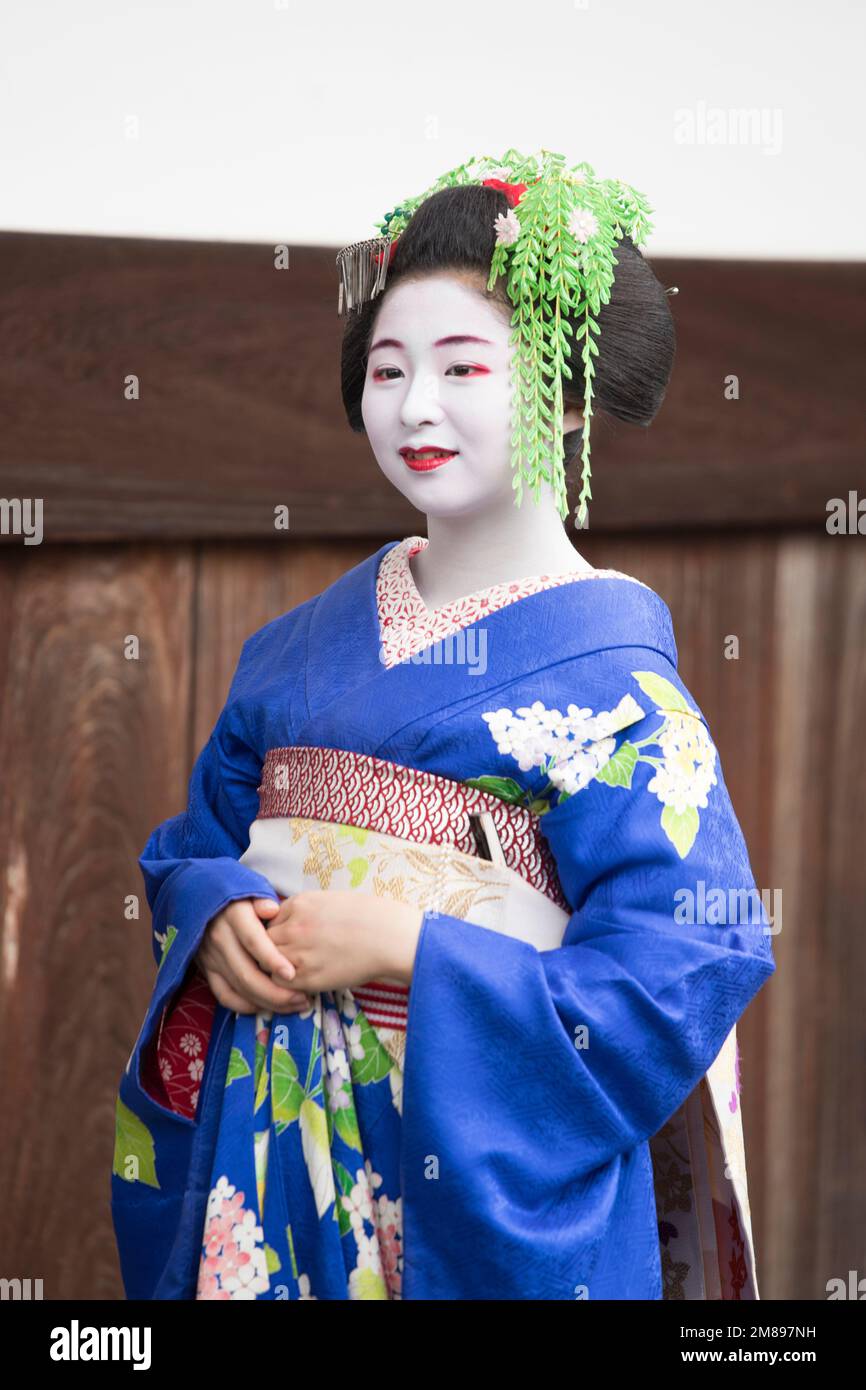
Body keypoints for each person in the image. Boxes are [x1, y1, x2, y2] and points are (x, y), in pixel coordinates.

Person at [111, 150, 775, 1301]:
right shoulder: (295, 650)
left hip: (468, 1185)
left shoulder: (615, 690)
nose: (415, 406)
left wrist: (410, 949)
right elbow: (196, 848)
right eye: (387, 368)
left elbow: (687, 958)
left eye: (464, 367)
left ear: (565, 394)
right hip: (268, 1156)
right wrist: (212, 916)